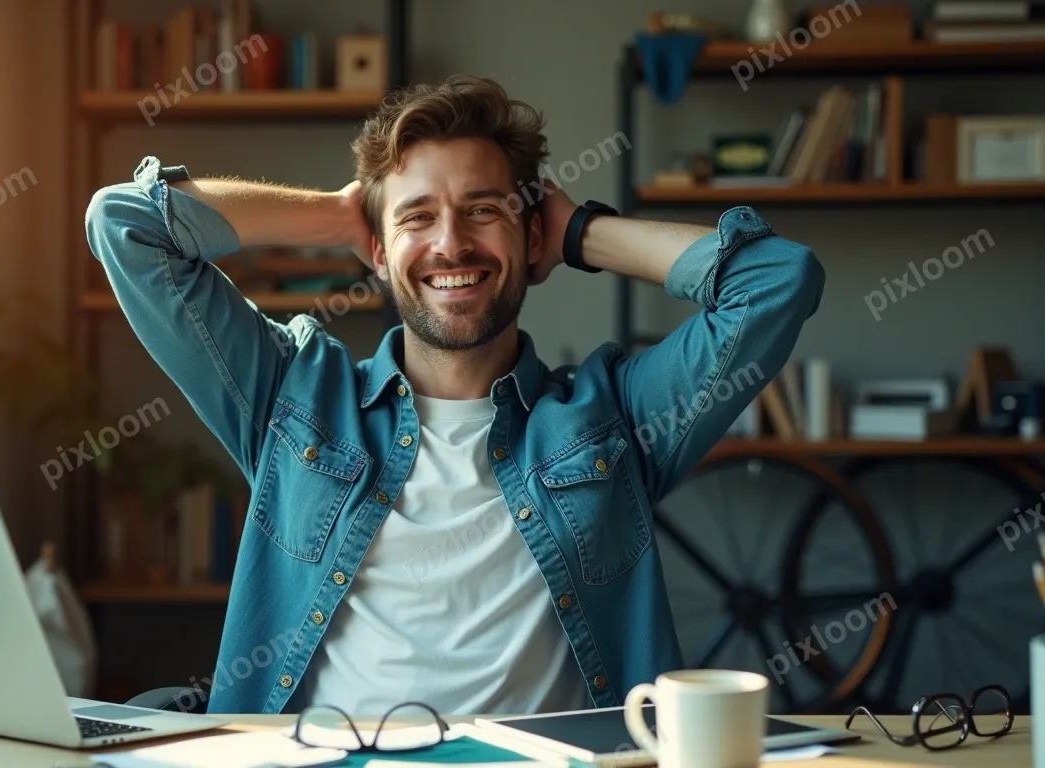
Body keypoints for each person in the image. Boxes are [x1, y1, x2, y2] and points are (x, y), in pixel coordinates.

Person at [84, 74, 824, 716]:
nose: (451, 244)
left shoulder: (618, 417)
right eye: (418, 218)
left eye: (484, 210)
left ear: (530, 241)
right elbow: (125, 224)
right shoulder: (290, 395)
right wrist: (344, 215)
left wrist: (577, 232)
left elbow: (776, 282)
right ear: (377, 250)